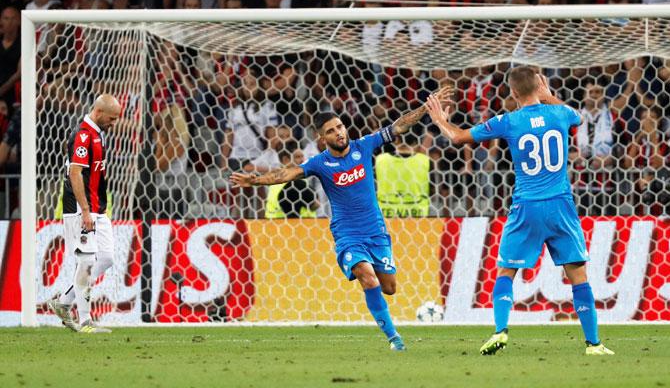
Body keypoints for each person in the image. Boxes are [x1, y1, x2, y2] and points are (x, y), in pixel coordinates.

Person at [230, 88, 454, 350]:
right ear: (322, 138)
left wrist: (425, 109)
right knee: (366, 276)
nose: (339, 133)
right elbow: (285, 175)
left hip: (376, 232)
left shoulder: (363, 146)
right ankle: (395, 339)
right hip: (347, 235)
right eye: (331, 131)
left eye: (340, 127)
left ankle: (386, 319)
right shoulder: (319, 163)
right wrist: (254, 180)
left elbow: (399, 126)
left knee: (389, 287)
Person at [425, 67, 614, 356]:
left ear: (512, 93)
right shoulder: (561, 113)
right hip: (561, 205)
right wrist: (549, 97)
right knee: (578, 274)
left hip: (527, 206)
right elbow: (576, 116)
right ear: (539, 85)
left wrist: (440, 121)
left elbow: (459, 138)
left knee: (506, 271)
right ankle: (594, 344)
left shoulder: (508, 121)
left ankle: (500, 330)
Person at [48, 94, 122, 334]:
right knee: (87, 261)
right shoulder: (82, 135)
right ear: (99, 112)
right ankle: (85, 321)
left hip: (98, 208)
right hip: (82, 209)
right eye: (112, 118)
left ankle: (65, 301)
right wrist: (86, 211)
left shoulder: (99, 133)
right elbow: (76, 173)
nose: (114, 123)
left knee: (107, 258)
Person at [375, 132, 430, 217]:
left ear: (396, 140)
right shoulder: (424, 160)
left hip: (386, 214)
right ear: (416, 142)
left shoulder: (380, 159)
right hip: (417, 214)